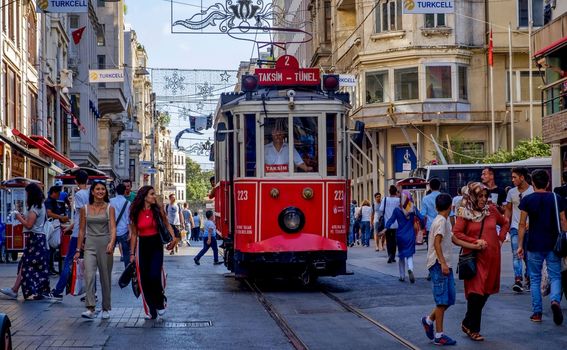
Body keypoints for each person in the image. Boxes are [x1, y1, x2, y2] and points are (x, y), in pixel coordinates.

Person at [421, 193, 483, 346]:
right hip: (438, 265)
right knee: (442, 301)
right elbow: (437, 243)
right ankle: (439, 335)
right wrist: (442, 263)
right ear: (451, 207)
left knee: (449, 299)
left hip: (444, 264)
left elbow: (454, 239)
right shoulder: (441, 221)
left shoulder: (444, 221)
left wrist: (473, 246)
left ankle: (428, 320)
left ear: (436, 207)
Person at [453, 182, 509, 341]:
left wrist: (500, 238)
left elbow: (505, 222)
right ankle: (473, 329)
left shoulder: (491, 210)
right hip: (474, 258)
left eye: (486, 196)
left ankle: (466, 322)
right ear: (472, 196)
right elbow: (456, 233)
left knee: (486, 292)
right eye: (480, 196)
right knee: (475, 293)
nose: (484, 199)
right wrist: (474, 241)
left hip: (492, 257)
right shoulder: (464, 212)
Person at [517, 169, 565, 325]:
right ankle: (555, 301)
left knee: (535, 279)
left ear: (532, 183)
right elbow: (564, 221)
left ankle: (537, 313)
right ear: (548, 182)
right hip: (553, 244)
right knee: (556, 276)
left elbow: (522, 224)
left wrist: (519, 245)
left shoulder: (527, 200)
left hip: (534, 244)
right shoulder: (556, 198)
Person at [129, 186, 178, 320]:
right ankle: (151, 309)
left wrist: (173, 239)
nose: (154, 196)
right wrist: (132, 254)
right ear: (144, 196)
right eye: (152, 194)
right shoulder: (135, 211)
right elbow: (134, 234)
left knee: (154, 275)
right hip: (142, 245)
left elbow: (167, 224)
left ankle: (160, 303)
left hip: (156, 244)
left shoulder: (157, 210)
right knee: (144, 279)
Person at [0, 183, 55, 301]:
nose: (25, 195)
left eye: (27, 193)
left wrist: (19, 218)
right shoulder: (40, 205)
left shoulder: (35, 207)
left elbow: (29, 225)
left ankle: (23, 290)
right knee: (25, 264)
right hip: (37, 239)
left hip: (35, 239)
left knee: (27, 265)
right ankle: (15, 289)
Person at [73, 181, 116, 319]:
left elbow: (113, 228)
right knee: (89, 275)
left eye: (103, 189)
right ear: (92, 192)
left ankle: (106, 308)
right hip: (90, 244)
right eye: (97, 189)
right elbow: (81, 230)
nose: (100, 191)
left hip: (105, 244)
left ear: (106, 192)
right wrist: (78, 249)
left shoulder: (110, 207)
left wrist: (112, 242)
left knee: (105, 277)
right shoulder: (84, 208)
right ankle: (90, 307)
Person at [51, 170, 90, 300]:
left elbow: (82, 217)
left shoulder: (79, 194)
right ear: (87, 180)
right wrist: (71, 227)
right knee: (89, 264)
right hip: (87, 233)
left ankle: (58, 291)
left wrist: (74, 229)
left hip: (78, 234)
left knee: (68, 262)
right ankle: (91, 292)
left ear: (76, 181)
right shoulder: (91, 193)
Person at [381, 191, 424, 283]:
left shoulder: (397, 210)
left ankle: (402, 276)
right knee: (409, 255)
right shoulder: (413, 209)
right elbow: (421, 218)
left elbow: (391, 220)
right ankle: (410, 269)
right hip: (410, 235)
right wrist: (423, 226)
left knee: (401, 256)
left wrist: (385, 228)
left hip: (400, 235)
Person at [504, 167, 534, 293]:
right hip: (515, 228)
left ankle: (529, 278)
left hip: (530, 228)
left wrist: (530, 223)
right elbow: (508, 209)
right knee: (517, 253)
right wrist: (506, 223)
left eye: (515, 177)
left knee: (528, 255)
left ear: (522, 177)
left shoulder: (533, 190)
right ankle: (518, 279)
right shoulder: (511, 192)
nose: (512, 180)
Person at [45, 185, 69, 275]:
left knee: (52, 250)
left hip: (56, 226)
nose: (59, 195)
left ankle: (51, 268)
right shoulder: (49, 202)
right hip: (52, 228)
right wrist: (61, 217)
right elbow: (49, 213)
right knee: (50, 249)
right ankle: (48, 268)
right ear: (54, 193)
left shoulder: (54, 201)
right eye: (58, 193)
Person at [553, 171, 567, 301]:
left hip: (563, 231)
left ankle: (559, 293)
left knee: (562, 263)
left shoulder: (557, 192)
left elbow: (561, 216)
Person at [110, 184, 131, 268]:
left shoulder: (111, 201)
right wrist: (130, 232)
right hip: (124, 230)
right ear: (125, 191)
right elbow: (128, 219)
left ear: (116, 190)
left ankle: (108, 269)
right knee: (126, 254)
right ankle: (127, 271)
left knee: (109, 252)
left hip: (112, 231)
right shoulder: (127, 203)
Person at [380, 185, 401, 263]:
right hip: (396, 223)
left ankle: (389, 255)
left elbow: (381, 209)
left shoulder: (385, 199)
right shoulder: (398, 200)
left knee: (388, 240)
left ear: (389, 192)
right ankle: (393, 255)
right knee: (394, 240)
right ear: (396, 192)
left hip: (387, 223)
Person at [421, 178, 442, 246]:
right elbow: (450, 215)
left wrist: (422, 226)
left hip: (430, 226)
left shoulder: (425, 199)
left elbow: (423, 215)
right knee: (442, 246)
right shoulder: (444, 197)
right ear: (440, 186)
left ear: (429, 186)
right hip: (442, 225)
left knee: (431, 247)